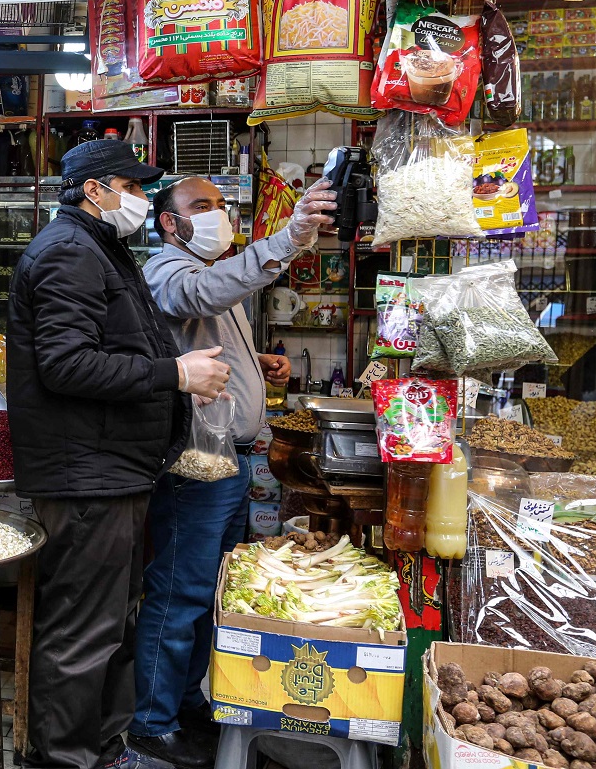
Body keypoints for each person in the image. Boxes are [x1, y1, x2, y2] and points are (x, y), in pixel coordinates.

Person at [8, 140, 231, 769]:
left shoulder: (97, 248)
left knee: (110, 626)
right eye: (131, 187)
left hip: (112, 469)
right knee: (82, 632)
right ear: (96, 189)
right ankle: (65, 759)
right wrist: (174, 375)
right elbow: (66, 363)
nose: (139, 198)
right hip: (86, 475)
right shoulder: (68, 253)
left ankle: (103, 749)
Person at [127, 176, 336, 768]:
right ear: (170, 223)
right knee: (177, 592)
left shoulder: (211, 270)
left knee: (210, 592)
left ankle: (186, 702)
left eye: (220, 205)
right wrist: (288, 238)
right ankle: (151, 722)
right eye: (200, 207)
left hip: (230, 461)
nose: (216, 215)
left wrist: (255, 365)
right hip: (198, 462)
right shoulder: (169, 271)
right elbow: (197, 298)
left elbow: (214, 324)